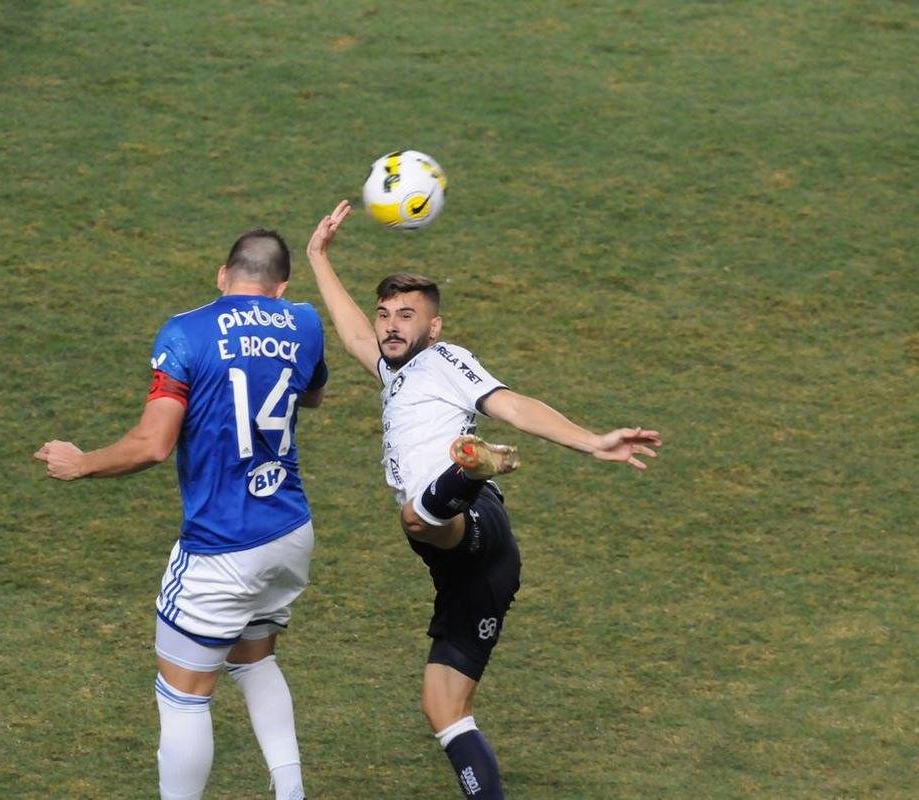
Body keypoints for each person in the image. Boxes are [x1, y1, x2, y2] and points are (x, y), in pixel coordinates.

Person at [304, 200, 662, 799]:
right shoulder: (394, 372)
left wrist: (592, 442)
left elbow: (514, 405)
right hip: (479, 572)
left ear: (434, 328)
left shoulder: (446, 361)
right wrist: (318, 256)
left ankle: (467, 472)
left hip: (475, 522)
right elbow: (352, 334)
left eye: (407, 316)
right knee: (444, 709)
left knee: (416, 518)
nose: (390, 326)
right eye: (385, 314)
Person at [34, 229, 327, 800]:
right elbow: (311, 393)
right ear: (281, 286)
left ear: (222, 275)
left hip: (222, 546)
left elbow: (154, 444)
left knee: (184, 694)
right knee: (253, 659)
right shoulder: (304, 322)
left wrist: (81, 463)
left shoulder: (186, 333)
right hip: (289, 530)